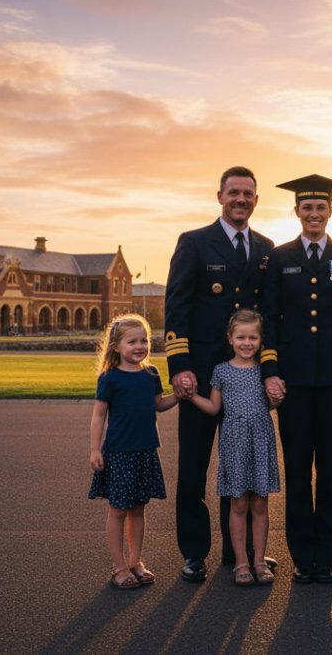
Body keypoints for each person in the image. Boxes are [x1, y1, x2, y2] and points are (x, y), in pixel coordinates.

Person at [164, 166, 276, 583]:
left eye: (248, 193)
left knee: (244, 470)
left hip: (247, 377)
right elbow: (176, 308)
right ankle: (194, 552)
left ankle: (242, 554)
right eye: (234, 193)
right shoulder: (194, 243)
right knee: (194, 467)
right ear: (220, 196)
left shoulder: (266, 249)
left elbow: (270, 316)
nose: (241, 200)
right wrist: (180, 367)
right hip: (203, 374)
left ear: (256, 200)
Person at [261, 173, 332, 585]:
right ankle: (300, 557)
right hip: (291, 381)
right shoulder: (280, 257)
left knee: (329, 471)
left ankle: (324, 558)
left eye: (320, 208)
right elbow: (270, 318)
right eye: (306, 208)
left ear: (330, 212)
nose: (313, 214)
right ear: (296, 212)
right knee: (296, 471)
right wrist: (270, 372)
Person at [189, 310, 280, 586]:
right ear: (230, 338)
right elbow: (215, 407)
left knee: (260, 503)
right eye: (241, 337)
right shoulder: (221, 371)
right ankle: (240, 562)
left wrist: (278, 396)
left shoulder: (266, 371)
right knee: (238, 503)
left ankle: (259, 561)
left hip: (261, 438)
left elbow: (272, 404)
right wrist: (191, 395)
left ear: (261, 340)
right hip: (234, 440)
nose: (247, 342)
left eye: (253, 337)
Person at [88, 314, 178, 589]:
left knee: (138, 509)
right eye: (132, 341)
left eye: (144, 340)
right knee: (118, 511)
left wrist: (180, 396)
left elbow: (158, 406)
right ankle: (118, 567)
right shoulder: (110, 378)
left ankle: (136, 562)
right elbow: (98, 415)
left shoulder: (151, 374)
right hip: (119, 452)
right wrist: (94, 449)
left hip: (145, 451)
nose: (140, 346)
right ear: (116, 346)